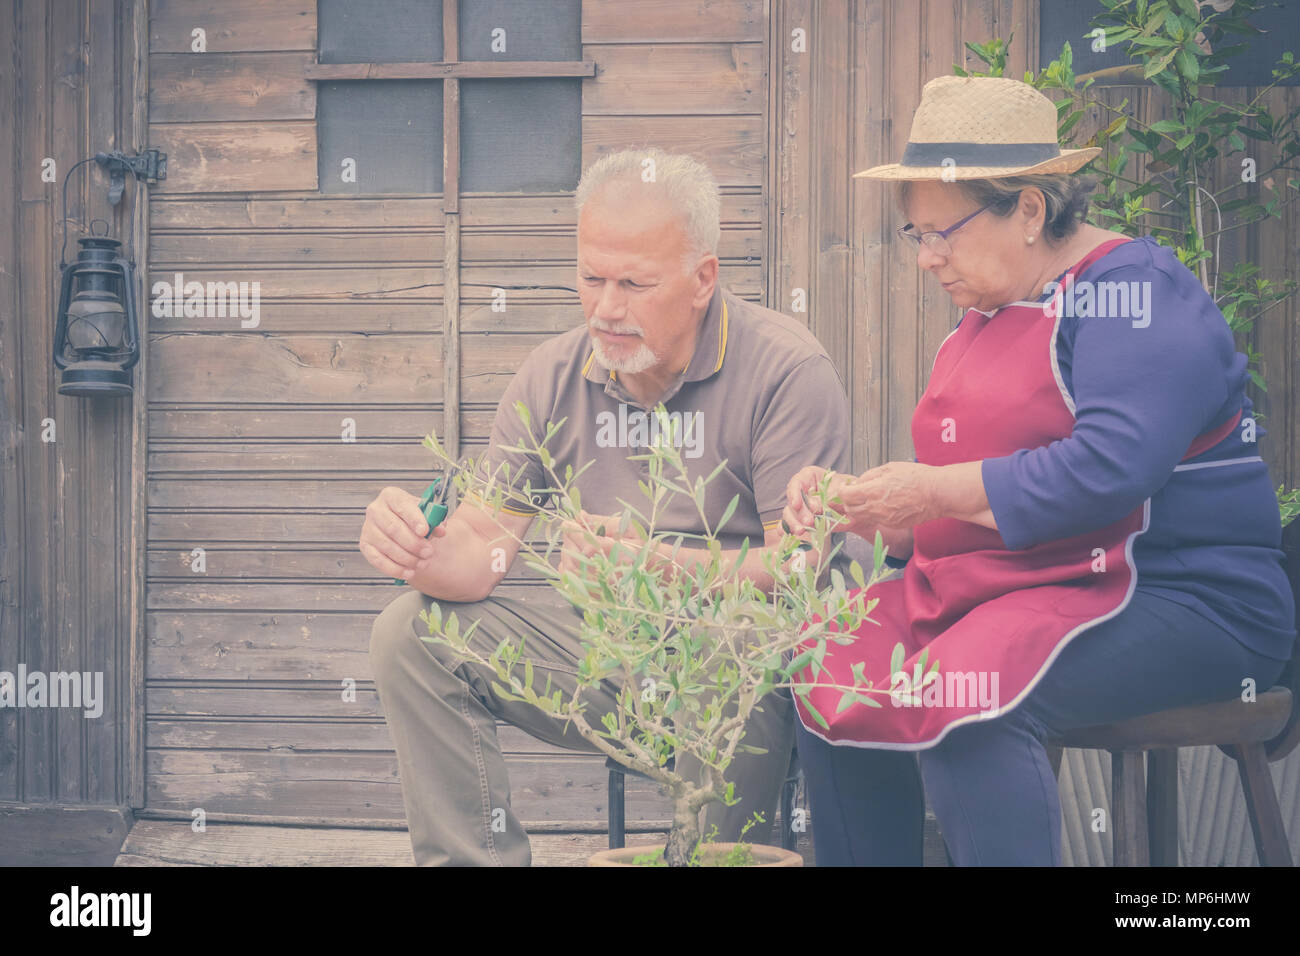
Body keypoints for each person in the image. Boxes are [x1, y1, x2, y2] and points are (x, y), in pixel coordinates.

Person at [781, 75, 1296, 866]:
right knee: (833, 662)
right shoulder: (983, 318)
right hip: (1024, 584)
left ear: (1027, 208)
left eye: (941, 233)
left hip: (1183, 596)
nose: (928, 259)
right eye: (914, 236)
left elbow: (1104, 474)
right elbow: (974, 493)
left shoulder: (1137, 296)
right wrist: (880, 514)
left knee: (965, 698)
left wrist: (928, 491)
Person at [362, 148, 853, 865]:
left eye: (634, 283)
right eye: (591, 277)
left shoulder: (786, 370)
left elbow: (802, 568)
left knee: (737, 642)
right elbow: (481, 550)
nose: (606, 307)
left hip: (743, 672)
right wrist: (418, 548)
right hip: (605, 663)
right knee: (410, 633)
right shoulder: (555, 373)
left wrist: (652, 565)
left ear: (702, 279)